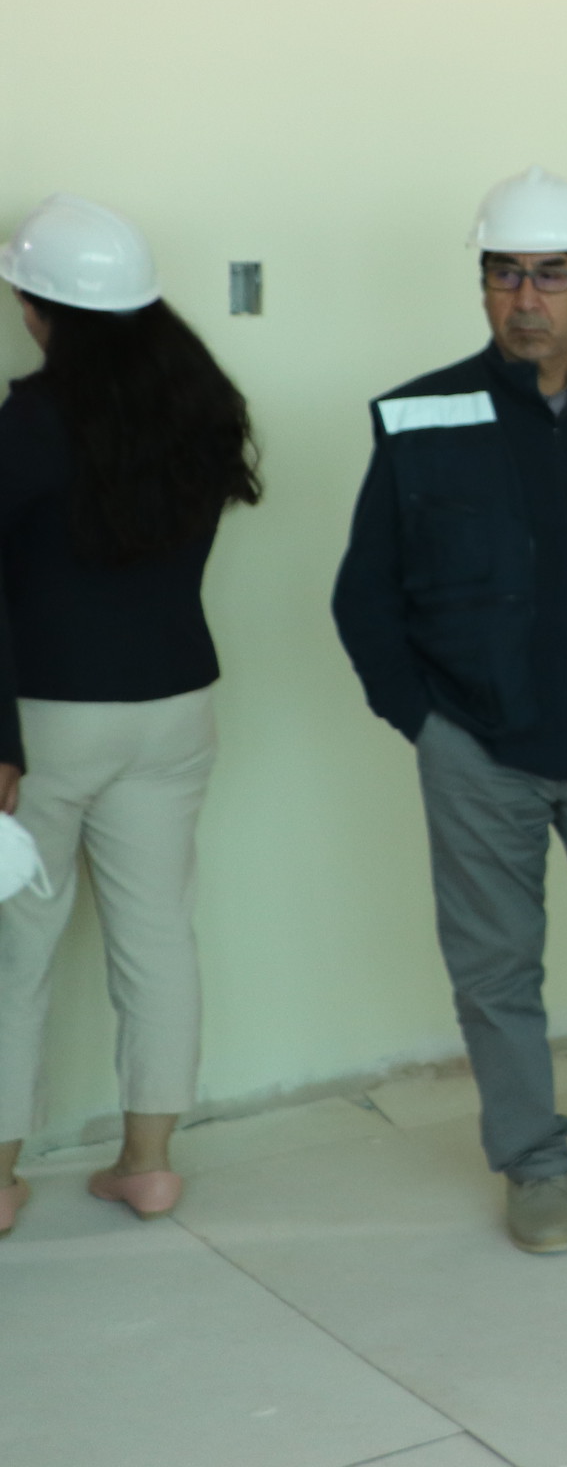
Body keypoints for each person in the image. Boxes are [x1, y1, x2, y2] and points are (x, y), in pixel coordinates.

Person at [332, 167, 567, 1255]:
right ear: (484, 287)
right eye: (504, 274)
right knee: (496, 968)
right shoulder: (423, 417)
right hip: (479, 749)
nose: (525, 298)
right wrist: (426, 724)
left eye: (550, 275)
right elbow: (365, 596)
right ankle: (533, 1163)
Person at [0, 196, 259, 1233]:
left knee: (16, 952)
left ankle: (0, 1180)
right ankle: (148, 1166)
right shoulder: (200, 406)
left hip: (48, 721)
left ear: (38, 309)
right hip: (175, 707)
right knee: (157, 938)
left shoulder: (27, 425)